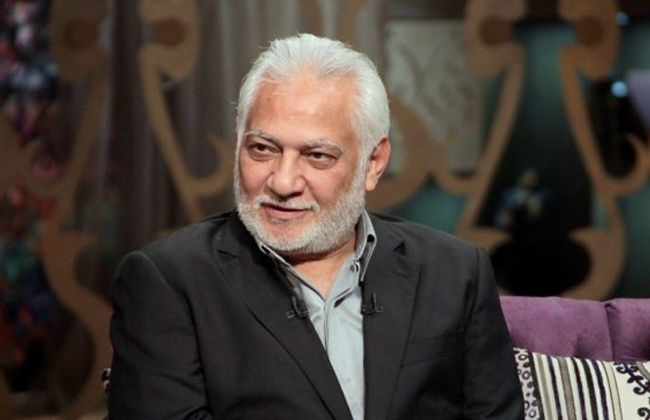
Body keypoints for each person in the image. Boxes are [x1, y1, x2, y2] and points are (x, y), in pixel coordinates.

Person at [108, 33, 523, 419]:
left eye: (317, 156)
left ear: (373, 163)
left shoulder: (455, 272)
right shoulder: (166, 282)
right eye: (262, 149)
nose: (283, 182)